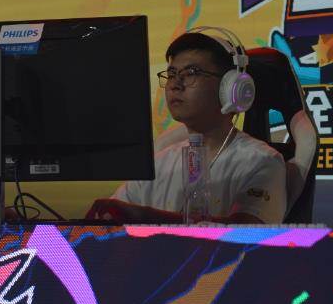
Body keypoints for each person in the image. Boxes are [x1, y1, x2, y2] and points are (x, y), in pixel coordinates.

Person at [87, 31, 286, 224]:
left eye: (191, 73)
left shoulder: (261, 161)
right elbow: (111, 216)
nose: (175, 84)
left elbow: (247, 232)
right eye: (171, 74)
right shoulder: (159, 164)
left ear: (229, 88)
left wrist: (144, 217)